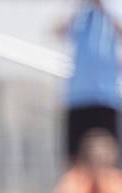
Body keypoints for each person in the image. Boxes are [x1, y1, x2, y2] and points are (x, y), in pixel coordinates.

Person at [56, 0, 122, 160]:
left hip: (106, 97)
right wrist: (77, 9)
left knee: (109, 158)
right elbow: (58, 31)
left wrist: (104, 9)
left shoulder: (114, 9)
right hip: (77, 97)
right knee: (74, 157)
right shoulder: (79, 11)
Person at [54, 128, 122, 193]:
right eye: (96, 156)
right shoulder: (72, 182)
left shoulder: (118, 180)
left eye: (104, 156)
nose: (100, 160)